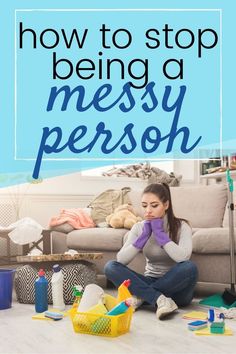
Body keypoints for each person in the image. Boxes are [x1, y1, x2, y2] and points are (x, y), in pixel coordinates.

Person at [104, 183, 198, 320]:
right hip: (149, 279)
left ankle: (142, 297)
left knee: (189, 267)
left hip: (178, 291)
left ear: (166, 205)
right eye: (144, 206)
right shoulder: (139, 228)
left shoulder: (182, 226)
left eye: (154, 205)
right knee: (110, 267)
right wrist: (142, 239)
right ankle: (159, 299)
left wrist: (161, 236)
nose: (148, 210)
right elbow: (121, 260)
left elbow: (183, 258)